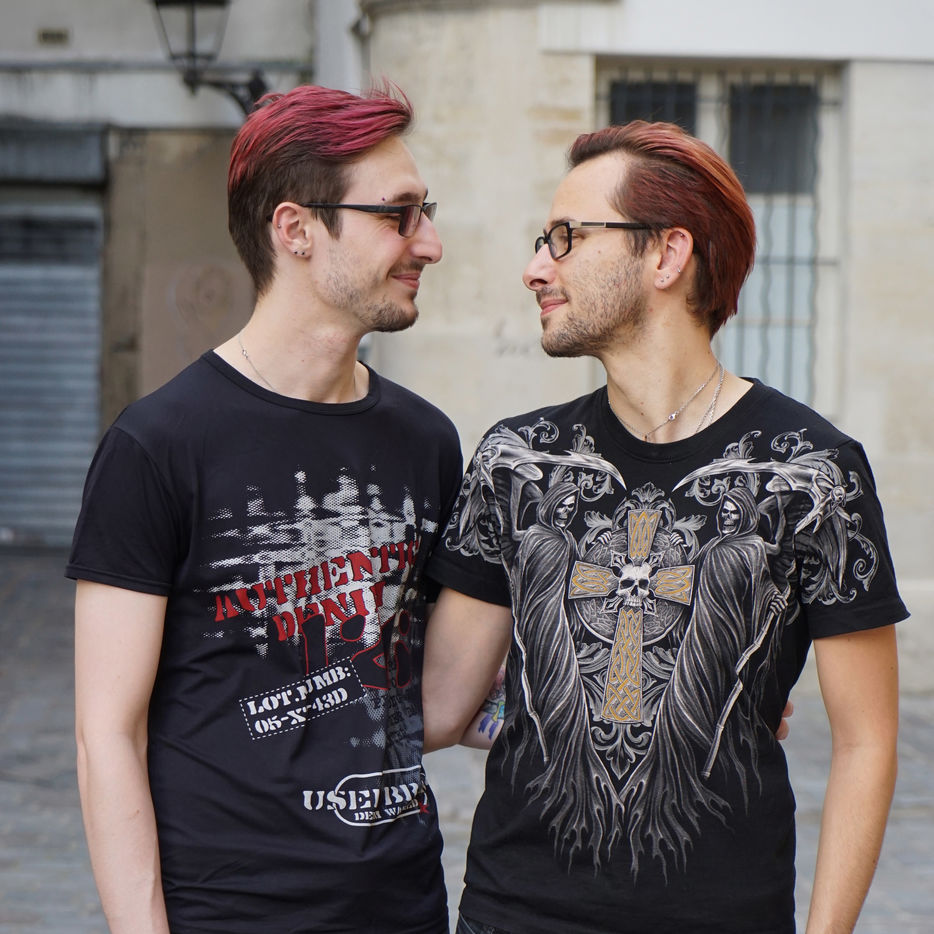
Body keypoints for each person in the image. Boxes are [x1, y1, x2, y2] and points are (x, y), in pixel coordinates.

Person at [422, 121, 905, 934]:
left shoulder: (812, 474)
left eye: (567, 237)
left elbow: (866, 743)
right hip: (515, 914)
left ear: (667, 254)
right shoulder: (516, 461)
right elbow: (442, 704)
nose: (536, 268)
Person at [68, 84, 462, 934]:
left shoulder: (425, 441)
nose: (428, 242)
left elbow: (421, 684)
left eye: (425, 213)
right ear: (296, 229)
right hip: (230, 912)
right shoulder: (158, 445)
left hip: (403, 906)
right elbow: (107, 735)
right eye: (398, 215)